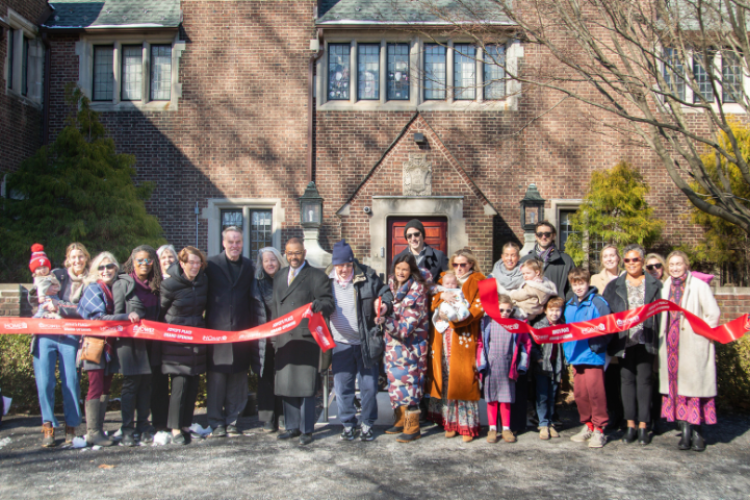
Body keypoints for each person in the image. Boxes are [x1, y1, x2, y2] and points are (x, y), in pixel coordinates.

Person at [326, 240, 393, 442]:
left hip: (365, 343)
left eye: (348, 264)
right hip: (340, 344)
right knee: (342, 387)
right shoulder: (325, 282)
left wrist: (385, 306)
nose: (345, 269)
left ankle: (367, 423)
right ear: (334, 265)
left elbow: (386, 293)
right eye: (340, 265)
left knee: (369, 388)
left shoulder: (368, 278)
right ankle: (347, 424)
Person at [272, 238, 335, 446]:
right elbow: (275, 307)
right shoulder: (280, 276)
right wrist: (273, 334)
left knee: (306, 387)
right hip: (283, 338)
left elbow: (329, 302)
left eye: (297, 253)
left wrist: (318, 305)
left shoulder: (316, 275)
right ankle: (292, 427)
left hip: (306, 339)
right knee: (287, 384)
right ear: (285, 254)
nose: (293, 257)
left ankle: (307, 430)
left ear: (304, 252)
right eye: (290, 253)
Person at [659, 251, 720, 452]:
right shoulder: (666, 286)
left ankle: (697, 432)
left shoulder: (699, 286)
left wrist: (703, 336)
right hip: (671, 345)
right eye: (672, 264)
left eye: (679, 264)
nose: (675, 268)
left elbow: (713, 314)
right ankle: (685, 431)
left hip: (693, 344)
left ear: (686, 265)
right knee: (677, 389)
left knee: (693, 391)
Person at [205, 227, 263, 438]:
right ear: (223, 243)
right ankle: (215, 422)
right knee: (217, 381)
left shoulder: (249, 266)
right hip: (216, 332)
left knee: (238, 380)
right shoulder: (210, 265)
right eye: (231, 241)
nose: (234, 245)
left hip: (241, 332)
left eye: (238, 241)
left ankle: (233, 421)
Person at [603, 243, 662, 446]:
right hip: (623, 342)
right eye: (627, 260)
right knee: (626, 382)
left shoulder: (655, 285)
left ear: (642, 261)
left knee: (645, 382)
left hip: (646, 339)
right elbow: (605, 313)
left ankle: (644, 425)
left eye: (635, 259)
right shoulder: (614, 286)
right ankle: (630, 425)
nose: (631, 263)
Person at [31, 242, 89, 447]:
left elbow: (84, 311)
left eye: (80, 256)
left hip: (71, 336)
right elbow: (35, 296)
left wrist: (61, 307)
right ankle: (48, 425)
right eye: (73, 256)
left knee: (71, 381)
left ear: (86, 258)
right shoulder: (55, 274)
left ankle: (71, 426)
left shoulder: (90, 281)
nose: (77, 260)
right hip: (46, 333)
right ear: (67, 259)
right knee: (45, 381)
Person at [78, 252, 136, 447]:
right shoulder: (93, 289)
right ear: (95, 270)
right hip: (95, 344)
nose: (105, 271)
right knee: (95, 386)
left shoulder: (114, 289)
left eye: (109, 266)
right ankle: (93, 432)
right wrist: (125, 317)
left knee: (105, 387)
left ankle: (98, 429)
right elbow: (98, 318)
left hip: (109, 345)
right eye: (101, 267)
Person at [427, 249, 486, 442]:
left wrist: (455, 320)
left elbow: (479, 308)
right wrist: (441, 299)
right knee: (446, 376)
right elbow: (431, 299)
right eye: (456, 264)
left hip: (464, 334)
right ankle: (449, 422)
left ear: (471, 264)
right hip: (443, 336)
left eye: (464, 264)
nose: (459, 268)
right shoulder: (446, 278)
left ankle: (466, 425)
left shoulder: (478, 280)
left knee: (463, 378)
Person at [113, 245, 162, 446]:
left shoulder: (156, 284)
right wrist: (126, 317)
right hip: (130, 343)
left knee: (146, 385)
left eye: (148, 260)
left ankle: (143, 425)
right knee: (131, 386)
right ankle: (127, 428)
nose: (144, 264)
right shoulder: (123, 283)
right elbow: (115, 314)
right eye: (140, 260)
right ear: (132, 262)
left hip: (151, 343)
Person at [160, 246, 209, 445]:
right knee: (179, 385)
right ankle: (175, 428)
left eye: (198, 263)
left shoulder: (203, 282)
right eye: (191, 262)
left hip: (196, 339)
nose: (195, 266)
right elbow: (160, 313)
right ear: (182, 263)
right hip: (176, 342)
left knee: (193, 384)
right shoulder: (169, 285)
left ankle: (187, 424)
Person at [563, 267, 612, 449]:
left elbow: (608, 327)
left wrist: (597, 346)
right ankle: (588, 425)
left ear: (587, 282)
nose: (578, 287)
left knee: (595, 393)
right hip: (576, 356)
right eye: (575, 284)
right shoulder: (569, 305)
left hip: (592, 355)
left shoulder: (598, 302)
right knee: (580, 394)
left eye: (581, 283)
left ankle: (599, 429)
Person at [384, 253, 430, 443]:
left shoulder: (417, 292)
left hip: (412, 348)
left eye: (405, 269)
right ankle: (401, 419)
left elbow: (405, 328)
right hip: (394, 347)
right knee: (395, 383)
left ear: (411, 271)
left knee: (412, 386)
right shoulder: (391, 287)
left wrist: (384, 322)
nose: (401, 272)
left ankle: (414, 426)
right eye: (398, 268)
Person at [479, 294, 532, 444]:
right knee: (491, 399)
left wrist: (521, 364)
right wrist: (481, 363)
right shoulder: (487, 323)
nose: (505, 313)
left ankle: (506, 428)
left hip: (508, 365)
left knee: (506, 399)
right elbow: (481, 344)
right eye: (501, 310)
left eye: (508, 311)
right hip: (491, 365)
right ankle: (492, 429)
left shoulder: (516, 324)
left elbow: (525, 344)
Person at [253, 246, 286, 433]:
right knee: (265, 377)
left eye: (273, 260)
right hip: (263, 338)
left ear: (279, 261)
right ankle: (267, 419)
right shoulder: (256, 283)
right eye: (266, 260)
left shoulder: (287, 280)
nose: (270, 264)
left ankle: (282, 416)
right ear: (261, 263)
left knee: (282, 376)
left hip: (283, 336)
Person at [531, 296, 566, 440]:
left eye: (557, 310)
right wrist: (538, 358)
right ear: (545, 311)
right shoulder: (540, 325)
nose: (554, 314)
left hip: (556, 366)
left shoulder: (564, 326)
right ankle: (543, 423)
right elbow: (532, 345)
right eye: (551, 310)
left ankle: (550, 422)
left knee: (552, 396)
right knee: (542, 396)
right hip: (542, 367)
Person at [153, 244, 178, 431]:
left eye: (171, 257)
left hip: (178, 338)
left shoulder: (181, 280)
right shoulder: (153, 283)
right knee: (158, 382)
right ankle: (160, 422)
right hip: (157, 339)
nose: (168, 261)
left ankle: (175, 421)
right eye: (164, 258)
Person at [520, 221, 575, 301]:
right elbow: (517, 285)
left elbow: (573, 286)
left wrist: (564, 304)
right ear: (536, 236)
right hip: (532, 311)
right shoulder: (525, 260)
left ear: (553, 235)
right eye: (540, 234)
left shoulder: (565, 260)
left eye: (547, 234)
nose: (544, 237)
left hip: (556, 310)